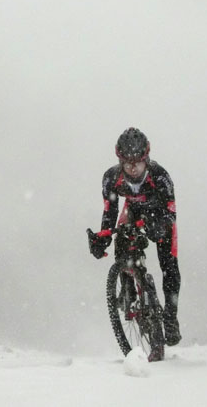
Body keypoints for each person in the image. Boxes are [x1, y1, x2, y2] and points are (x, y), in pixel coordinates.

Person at [88, 127, 182, 346]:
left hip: (160, 213)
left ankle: (170, 316)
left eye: (137, 162)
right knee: (122, 239)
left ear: (146, 159)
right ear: (119, 160)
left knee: (169, 264)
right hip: (134, 210)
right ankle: (129, 288)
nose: (132, 167)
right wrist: (103, 236)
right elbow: (110, 211)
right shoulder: (111, 178)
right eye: (126, 162)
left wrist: (160, 226)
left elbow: (171, 211)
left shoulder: (161, 177)